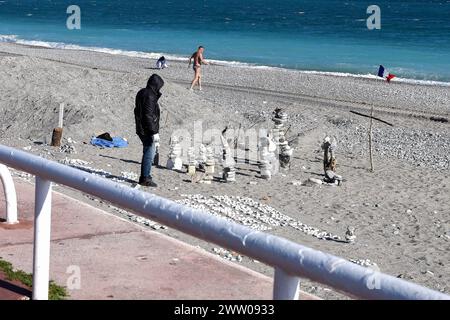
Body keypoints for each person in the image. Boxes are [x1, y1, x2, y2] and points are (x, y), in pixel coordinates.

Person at [134, 74, 164, 187]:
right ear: (155, 85)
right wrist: (154, 132)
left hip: (141, 127)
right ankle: (145, 178)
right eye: (159, 87)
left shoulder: (142, 92)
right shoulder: (150, 96)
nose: (159, 89)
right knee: (149, 152)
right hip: (147, 129)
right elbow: (148, 115)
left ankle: (146, 175)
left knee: (148, 151)